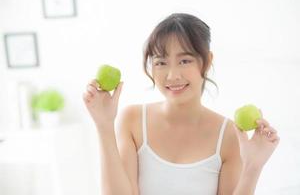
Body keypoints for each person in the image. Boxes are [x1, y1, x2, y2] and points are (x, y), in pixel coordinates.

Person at [83, 13, 280, 195]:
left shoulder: (229, 135)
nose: (172, 76)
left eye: (184, 61)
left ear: (207, 61)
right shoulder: (132, 120)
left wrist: (252, 168)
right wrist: (104, 125)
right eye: (161, 62)